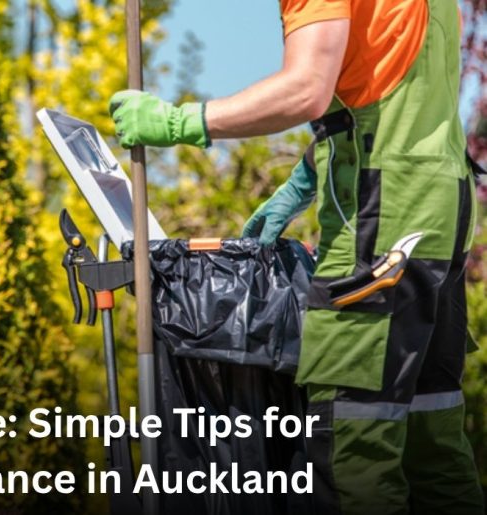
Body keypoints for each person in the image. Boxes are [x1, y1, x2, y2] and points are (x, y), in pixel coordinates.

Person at [108, 1, 482, 513]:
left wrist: (180, 121)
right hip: (441, 214)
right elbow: (391, 93)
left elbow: (307, 88)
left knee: (352, 451)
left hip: (383, 223)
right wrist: (306, 176)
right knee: (431, 446)